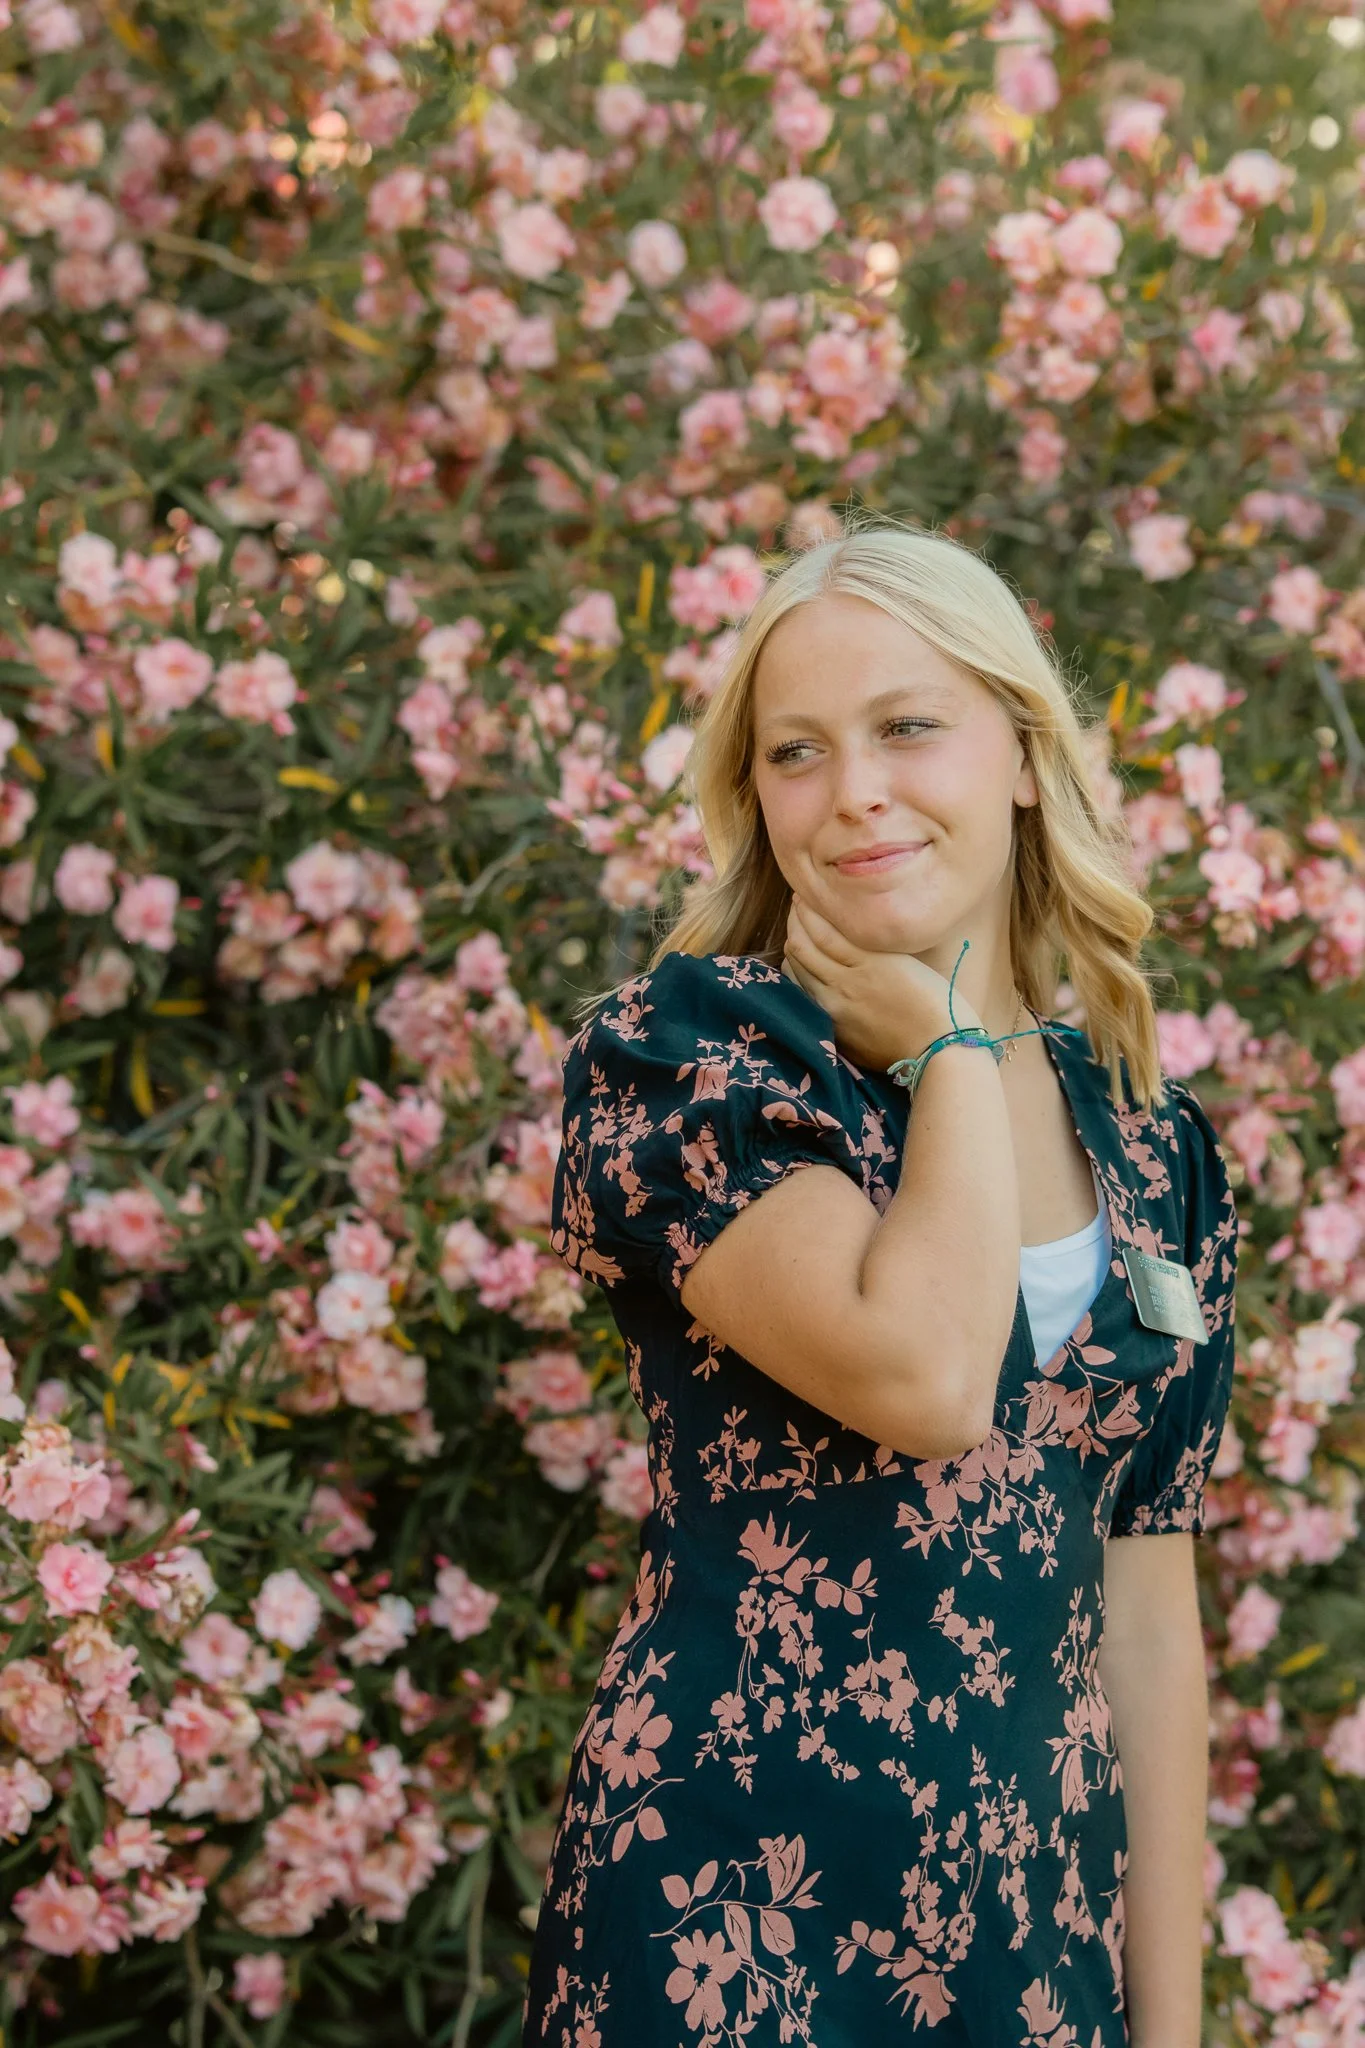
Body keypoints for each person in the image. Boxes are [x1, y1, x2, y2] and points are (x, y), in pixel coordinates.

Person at [522, 518, 1239, 2048]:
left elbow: (1147, 1608)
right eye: (797, 752)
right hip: (730, 1931)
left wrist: (1171, 2033)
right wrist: (954, 1060)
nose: (855, 792)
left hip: (1034, 1955)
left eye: (910, 727)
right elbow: (922, 1379)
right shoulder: (696, 1061)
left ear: (1025, 756)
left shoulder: (1153, 1142)